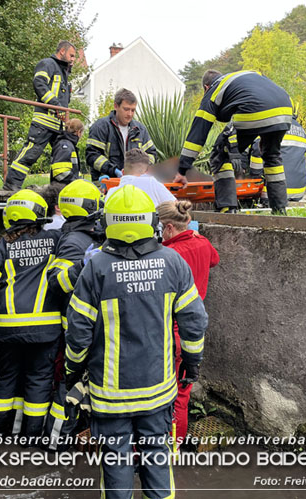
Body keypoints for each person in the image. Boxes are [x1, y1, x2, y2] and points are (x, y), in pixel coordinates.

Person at [65, 185, 208, 499]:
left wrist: (72, 370)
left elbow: (78, 332)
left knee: (115, 466)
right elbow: (194, 321)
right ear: (150, 222)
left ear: (108, 223)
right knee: (158, 462)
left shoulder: (95, 268)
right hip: (158, 391)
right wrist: (192, 363)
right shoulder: (173, 263)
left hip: (109, 395)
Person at [0, 190, 62, 438]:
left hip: (8, 328)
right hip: (46, 327)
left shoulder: (4, 245)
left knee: (7, 378)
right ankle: (31, 438)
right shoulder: (54, 239)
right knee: (39, 381)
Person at [176, 70, 293, 214]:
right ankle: (279, 210)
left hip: (254, 109)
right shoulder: (246, 75)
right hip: (285, 109)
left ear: (206, 88)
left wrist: (182, 169)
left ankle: (228, 209)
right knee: (271, 156)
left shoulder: (213, 91)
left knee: (220, 155)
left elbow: (198, 133)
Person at [44, 179, 105, 449]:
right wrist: (82, 264)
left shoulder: (87, 235)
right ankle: (55, 444)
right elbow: (57, 285)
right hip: (76, 328)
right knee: (68, 389)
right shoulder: (74, 242)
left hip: (87, 325)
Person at [157, 200, 219, 446]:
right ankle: (176, 446)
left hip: (169, 330)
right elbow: (214, 260)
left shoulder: (168, 255)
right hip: (193, 330)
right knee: (182, 392)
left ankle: (162, 447)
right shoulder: (202, 243)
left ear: (170, 228)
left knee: (164, 396)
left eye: (161, 229)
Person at [4, 41, 77, 191]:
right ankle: (12, 184)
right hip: (44, 121)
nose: (73, 59)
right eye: (71, 55)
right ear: (62, 51)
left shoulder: (63, 72)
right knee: (31, 153)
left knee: (62, 157)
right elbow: (39, 83)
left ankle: (58, 189)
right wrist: (56, 105)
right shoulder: (47, 64)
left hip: (58, 124)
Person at [86, 88, 157, 182]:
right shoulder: (100, 127)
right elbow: (92, 156)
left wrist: (143, 168)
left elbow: (151, 153)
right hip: (107, 183)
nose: (130, 114)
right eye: (126, 109)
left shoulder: (140, 130)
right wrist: (113, 170)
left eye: (133, 110)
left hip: (134, 183)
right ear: (116, 106)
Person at [250, 104, 306, 204]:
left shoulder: (272, 126)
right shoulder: (302, 130)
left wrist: (254, 180)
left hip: (273, 194)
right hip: (298, 192)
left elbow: (257, 152)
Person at [105, 149, 176, 206]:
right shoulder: (152, 183)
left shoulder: (111, 192)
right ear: (148, 171)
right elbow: (175, 206)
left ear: (122, 172)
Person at [50, 118, 84, 184]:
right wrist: (77, 182)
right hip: (62, 190)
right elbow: (60, 172)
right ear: (78, 132)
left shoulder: (68, 144)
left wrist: (81, 180)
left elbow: (75, 172)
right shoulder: (65, 146)